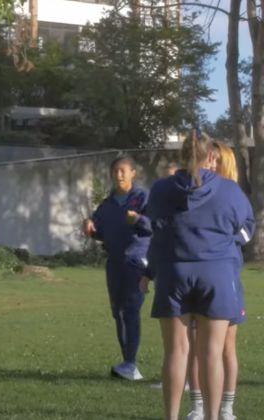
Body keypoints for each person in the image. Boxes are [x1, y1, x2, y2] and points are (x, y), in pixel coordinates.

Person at [146, 131, 253, 420]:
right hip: (216, 274)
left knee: (176, 353)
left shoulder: (161, 189)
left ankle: (172, 416)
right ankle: (213, 417)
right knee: (212, 353)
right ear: (211, 157)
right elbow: (245, 226)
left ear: (180, 156)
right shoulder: (231, 191)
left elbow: (153, 224)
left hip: (175, 272)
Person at [184, 141, 249, 420]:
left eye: (214, 160)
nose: (209, 164)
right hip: (195, 278)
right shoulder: (191, 191)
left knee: (225, 347)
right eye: (206, 159)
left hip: (226, 277)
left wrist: (225, 239)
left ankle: (226, 408)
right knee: (195, 345)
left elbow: (247, 230)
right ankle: (197, 406)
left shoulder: (232, 193)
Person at [83, 156, 150, 380]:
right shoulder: (107, 204)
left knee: (131, 310)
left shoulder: (143, 198)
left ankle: (131, 364)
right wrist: (90, 227)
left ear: (133, 173)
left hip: (136, 262)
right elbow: (101, 230)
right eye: (115, 171)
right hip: (115, 263)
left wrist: (139, 220)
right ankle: (127, 363)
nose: (118, 175)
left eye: (123, 171)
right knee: (118, 313)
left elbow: (156, 225)